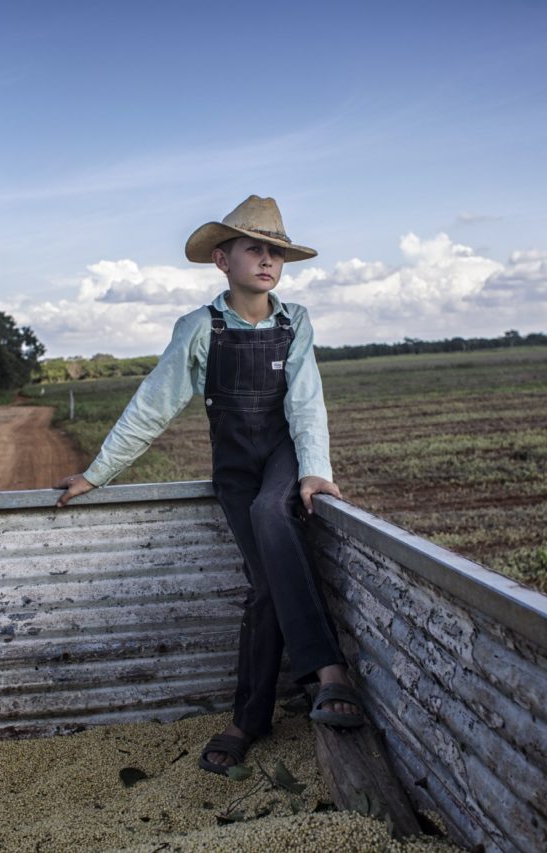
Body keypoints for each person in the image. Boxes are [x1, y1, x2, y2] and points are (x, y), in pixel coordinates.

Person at [55, 195, 363, 775]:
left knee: (275, 515)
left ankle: (328, 674)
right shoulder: (201, 327)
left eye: (277, 252)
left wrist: (315, 468)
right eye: (255, 249)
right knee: (264, 587)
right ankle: (253, 718)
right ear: (223, 260)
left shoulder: (295, 321)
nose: (268, 260)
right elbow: (154, 405)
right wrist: (98, 472)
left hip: (283, 455)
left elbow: (306, 402)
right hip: (234, 469)